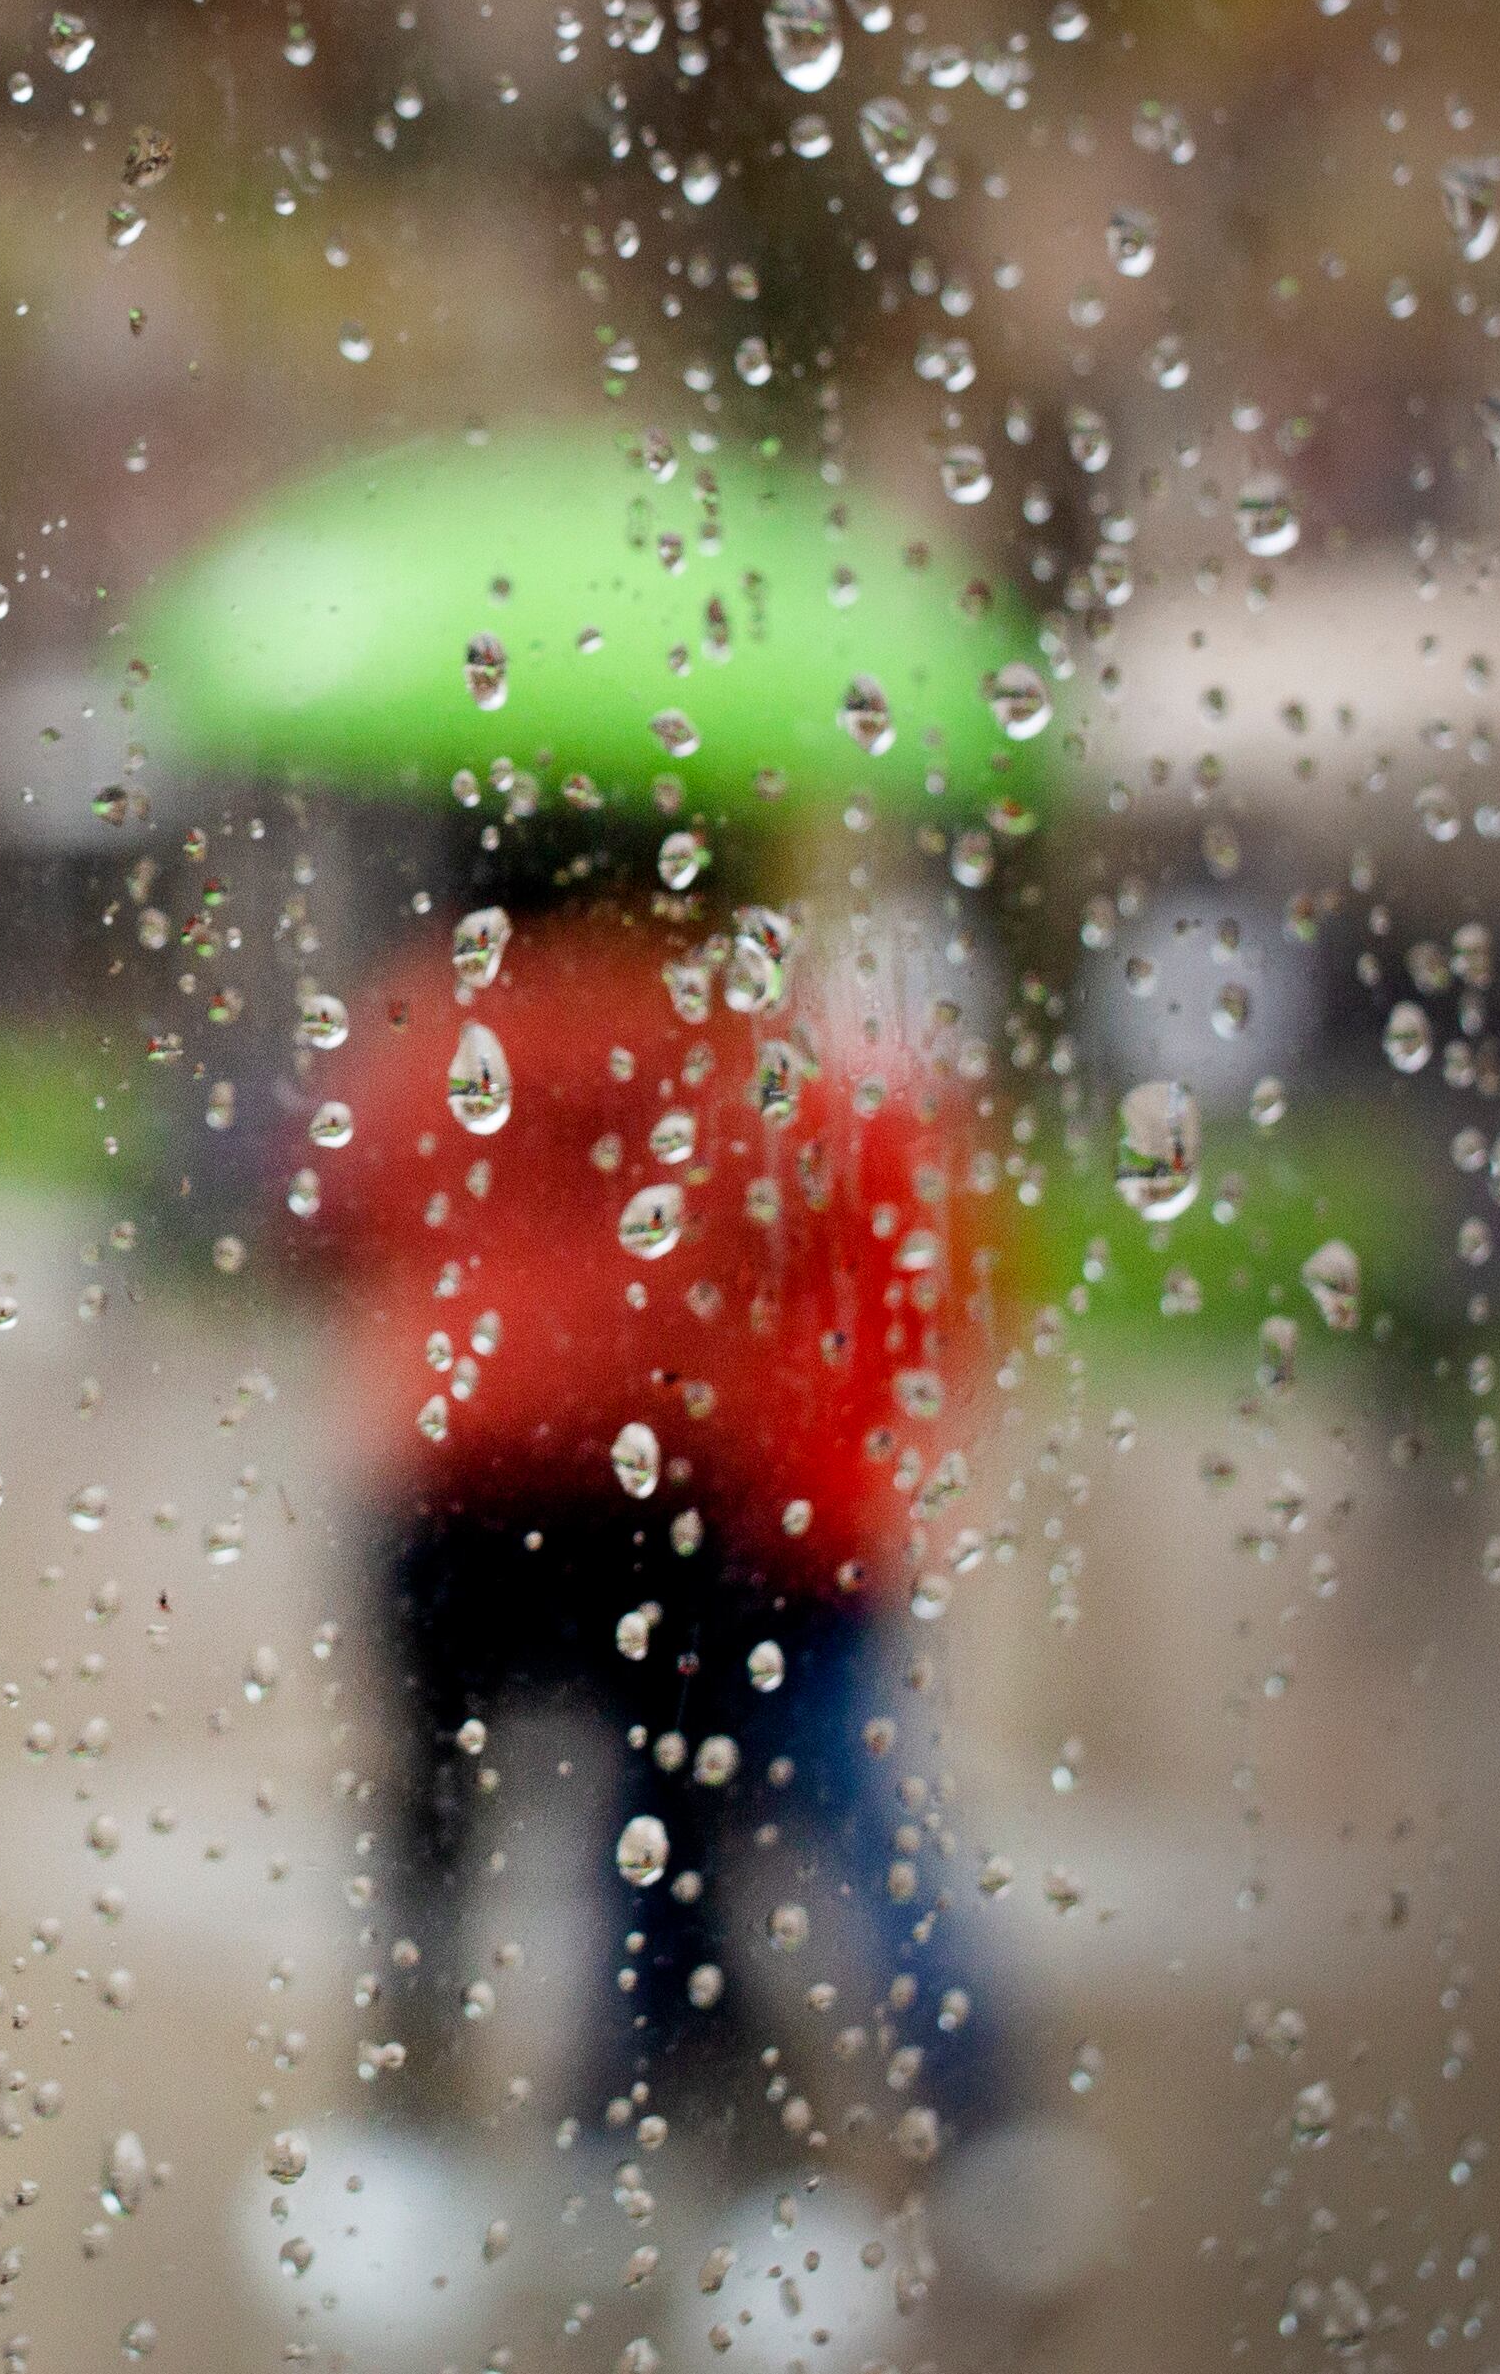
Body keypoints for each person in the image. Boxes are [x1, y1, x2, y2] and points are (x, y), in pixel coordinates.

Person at [306, 871, 1005, 2167]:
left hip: (455, 1462)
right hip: (645, 1473)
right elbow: (782, 1218)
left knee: (436, 1806)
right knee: (658, 1809)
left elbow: (336, 1206)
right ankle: (639, 2096)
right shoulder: (707, 1024)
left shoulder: (427, 1013)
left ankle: (412, 2100)